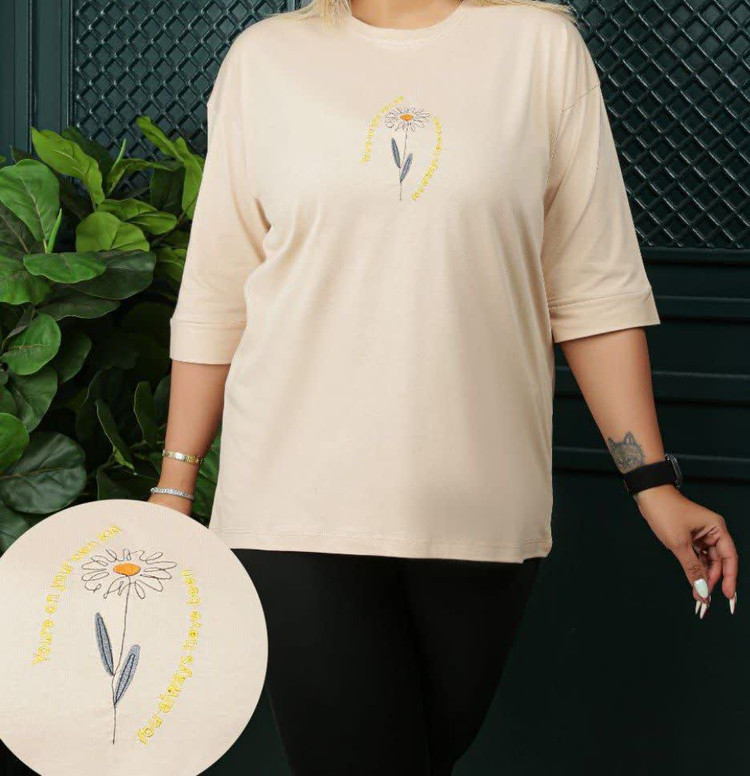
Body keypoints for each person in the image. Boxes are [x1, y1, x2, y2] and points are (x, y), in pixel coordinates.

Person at [149, 0, 739, 773]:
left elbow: (593, 290)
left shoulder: (541, 49)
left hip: (480, 503)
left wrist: (653, 484)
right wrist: (174, 489)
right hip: (292, 499)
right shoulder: (266, 60)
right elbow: (216, 294)